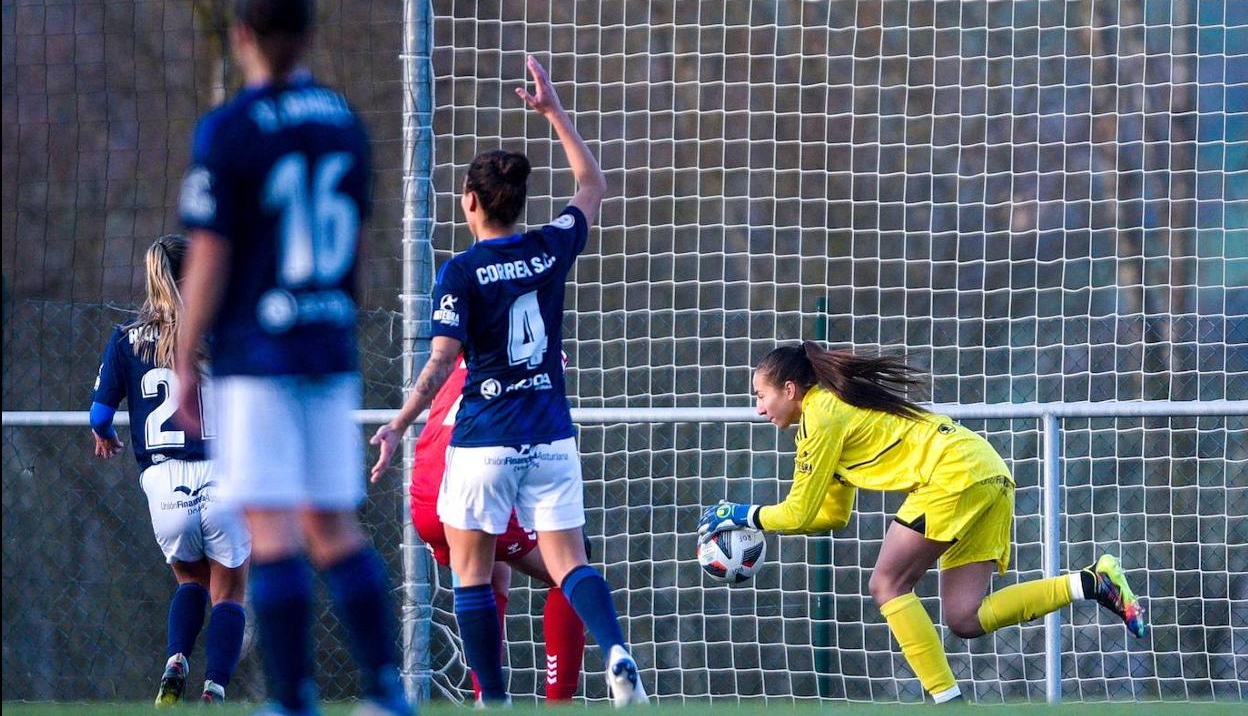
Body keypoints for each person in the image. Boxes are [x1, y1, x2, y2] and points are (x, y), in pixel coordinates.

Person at [371, 55, 647, 707]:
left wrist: (399, 421)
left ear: (470, 202)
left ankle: (492, 702)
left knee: (472, 575)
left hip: (484, 442)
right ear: (520, 202)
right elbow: (592, 184)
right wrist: (553, 112)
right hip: (550, 435)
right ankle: (617, 654)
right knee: (570, 565)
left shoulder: (461, 272)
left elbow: (440, 362)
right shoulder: (550, 247)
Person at [173, 0, 409, 716]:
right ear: (309, 35)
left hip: (258, 354)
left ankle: (295, 699)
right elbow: (358, 245)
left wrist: (183, 358)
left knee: (273, 530)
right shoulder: (344, 120)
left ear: (241, 34)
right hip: (326, 345)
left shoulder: (232, 128)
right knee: (333, 526)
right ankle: (385, 689)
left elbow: (209, 255)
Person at [698, 341, 1148, 704]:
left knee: (887, 584)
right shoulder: (830, 413)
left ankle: (946, 701)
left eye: (761, 396)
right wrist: (754, 517)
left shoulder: (821, 417)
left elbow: (795, 513)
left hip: (952, 475)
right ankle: (1092, 582)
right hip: (983, 469)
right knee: (965, 618)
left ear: (790, 389)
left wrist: (739, 514)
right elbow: (830, 515)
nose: (758, 409)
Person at [89, 234, 251, 706]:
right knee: (230, 593)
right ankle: (214, 687)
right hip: (223, 472)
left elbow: (99, 416)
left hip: (163, 481)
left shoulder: (126, 338)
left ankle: (176, 658)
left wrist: (107, 435)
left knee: (191, 582)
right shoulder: (223, 328)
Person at [409, 352, 585, 703]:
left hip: (424, 501)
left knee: (490, 572)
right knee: (570, 573)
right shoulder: (534, 351)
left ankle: (486, 700)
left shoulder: (456, 353)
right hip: (469, 485)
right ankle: (560, 704)